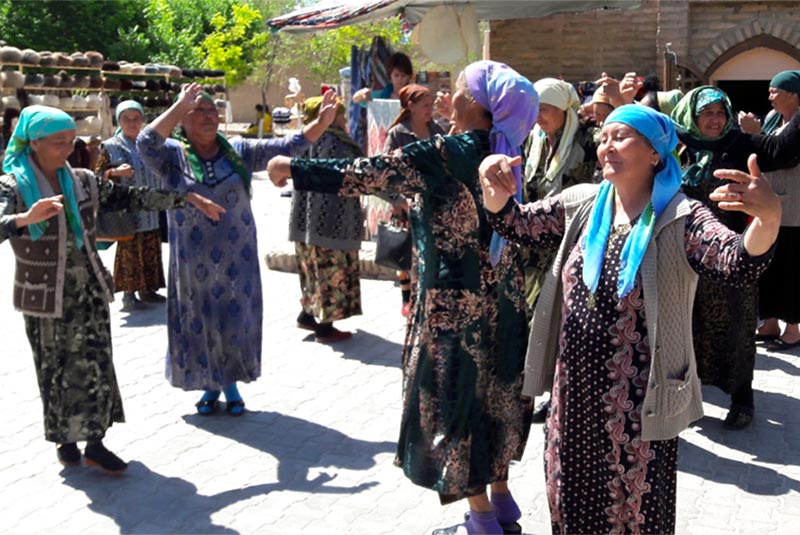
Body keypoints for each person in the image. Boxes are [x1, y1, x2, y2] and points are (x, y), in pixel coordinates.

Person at [479, 104, 780, 534]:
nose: (606, 147)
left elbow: (735, 262)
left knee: (633, 514)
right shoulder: (582, 204)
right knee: (569, 502)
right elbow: (515, 223)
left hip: (639, 406)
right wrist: (493, 185)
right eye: (603, 138)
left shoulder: (680, 216)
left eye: (620, 137)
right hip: (573, 400)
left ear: (655, 153)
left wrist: (768, 218)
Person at [268, 60, 538, 535]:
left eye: (456, 87)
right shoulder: (509, 151)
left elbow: (368, 173)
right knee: (498, 395)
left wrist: (294, 167)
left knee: (455, 398)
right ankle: (501, 500)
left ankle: (480, 520)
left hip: (454, 304)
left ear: (477, 104)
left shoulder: (450, 151)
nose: (447, 94)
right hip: (506, 300)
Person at [0, 105, 223, 474]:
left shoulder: (84, 180)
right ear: (34, 143)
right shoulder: (11, 186)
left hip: (88, 289)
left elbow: (133, 196)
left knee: (96, 364)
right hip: (44, 296)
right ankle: (64, 439)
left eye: (71, 141)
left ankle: (96, 442)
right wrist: (24, 219)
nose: (68, 149)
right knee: (55, 367)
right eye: (58, 142)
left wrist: (186, 199)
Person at [137, 84, 338, 416]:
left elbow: (288, 145)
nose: (208, 117)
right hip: (192, 259)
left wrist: (321, 123)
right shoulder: (172, 156)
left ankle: (228, 383)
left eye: (212, 111)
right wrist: (176, 106)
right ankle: (208, 385)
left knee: (233, 318)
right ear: (183, 121)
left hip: (236, 257)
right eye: (198, 112)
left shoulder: (239, 150)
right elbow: (145, 142)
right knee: (198, 318)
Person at [671, 86, 800, 428]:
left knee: (739, 327)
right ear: (692, 116)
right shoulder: (674, 147)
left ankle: (743, 400)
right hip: (685, 261)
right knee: (687, 328)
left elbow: (784, 150)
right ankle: (688, 396)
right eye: (706, 113)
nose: (714, 120)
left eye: (720, 112)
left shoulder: (740, 144)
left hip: (733, 256)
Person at [522, 77, 603, 423]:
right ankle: (552, 395)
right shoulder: (535, 142)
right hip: (537, 250)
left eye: (546, 109)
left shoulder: (588, 138)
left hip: (573, 246)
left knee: (569, 325)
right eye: (535, 109)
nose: (539, 116)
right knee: (539, 322)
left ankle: (571, 398)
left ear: (563, 109)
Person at [290, 96, 364, 342]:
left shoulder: (303, 140)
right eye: (341, 115)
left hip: (304, 220)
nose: (343, 120)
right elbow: (356, 175)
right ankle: (325, 327)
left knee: (311, 269)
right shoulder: (337, 143)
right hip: (333, 220)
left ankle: (307, 315)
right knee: (331, 271)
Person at [95, 100, 166, 311]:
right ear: (119, 121)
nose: (132, 123)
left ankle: (148, 289)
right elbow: (96, 176)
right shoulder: (111, 146)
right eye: (127, 119)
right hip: (127, 209)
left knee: (151, 246)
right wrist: (114, 173)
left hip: (151, 205)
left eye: (136, 119)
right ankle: (128, 294)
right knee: (130, 250)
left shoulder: (151, 144)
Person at [383, 84, 446, 316]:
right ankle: (408, 302)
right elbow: (383, 173)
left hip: (432, 207)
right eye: (426, 105)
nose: (431, 110)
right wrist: (398, 199)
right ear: (410, 106)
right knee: (407, 259)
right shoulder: (398, 134)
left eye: (432, 105)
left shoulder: (437, 130)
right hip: (406, 209)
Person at [748, 71, 800, 348]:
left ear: (793, 94)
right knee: (769, 267)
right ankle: (769, 323)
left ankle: (792, 328)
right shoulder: (773, 119)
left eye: (775, 91)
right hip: (769, 207)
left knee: (790, 268)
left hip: (793, 209)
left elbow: (783, 156)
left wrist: (754, 136)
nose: (769, 96)